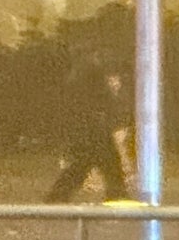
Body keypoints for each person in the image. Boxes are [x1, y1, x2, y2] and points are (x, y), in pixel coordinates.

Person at [45, 43, 130, 203]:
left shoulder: (79, 73)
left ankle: (57, 196)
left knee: (84, 164)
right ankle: (117, 195)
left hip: (86, 126)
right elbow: (102, 98)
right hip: (94, 126)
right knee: (106, 162)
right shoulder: (90, 73)